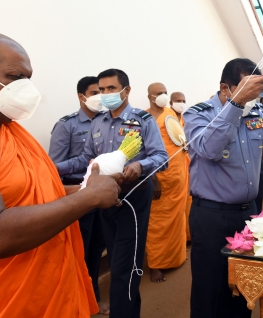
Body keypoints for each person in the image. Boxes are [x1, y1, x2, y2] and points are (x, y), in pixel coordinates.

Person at [0, 30, 122, 317]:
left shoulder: (3, 130)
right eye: (15, 77)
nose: (26, 89)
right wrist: (87, 200)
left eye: (28, 79)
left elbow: (30, 198)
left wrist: (87, 189)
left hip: (41, 296)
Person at [184, 58, 263, 318]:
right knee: (210, 288)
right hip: (211, 216)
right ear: (226, 88)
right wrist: (236, 105)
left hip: (248, 215)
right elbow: (209, 149)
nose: (255, 97)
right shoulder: (198, 114)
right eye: (249, 89)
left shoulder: (256, 112)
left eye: (257, 91)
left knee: (243, 286)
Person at [56, 69, 168, 318]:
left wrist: (140, 166)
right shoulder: (98, 121)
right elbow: (86, 158)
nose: (105, 94)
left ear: (126, 91)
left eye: (111, 89)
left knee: (126, 266)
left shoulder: (142, 120)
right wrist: (52, 169)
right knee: (116, 258)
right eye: (102, 89)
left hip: (133, 195)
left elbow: (161, 157)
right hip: (104, 198)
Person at [48, 76, 109, 315]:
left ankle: (93, 298)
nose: (100, 98)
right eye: (95, 92)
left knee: (96, 251)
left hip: (102, 195)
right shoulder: (67, 125)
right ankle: (75, 302)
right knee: (78, 253)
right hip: (77, 195)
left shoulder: (107, 122)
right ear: (81, 97)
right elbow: (54, 167)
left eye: (103, 92)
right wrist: (85, 168)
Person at [145, 83, 188, 283]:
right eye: (158, 93)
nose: (162, 96)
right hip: (159, 180)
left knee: (177, 218)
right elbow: (144, 151)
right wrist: (153, 179)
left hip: (177, 176)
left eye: (165, 92)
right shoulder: (144, 118)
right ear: (150, 97)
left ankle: (176, 256)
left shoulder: (171, 114)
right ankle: (156, 264)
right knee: (158, 224)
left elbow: (180, 140)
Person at [170, 91, 192, 242]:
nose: (181, 103)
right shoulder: (167, 120)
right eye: (178, 100)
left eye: (183, 100)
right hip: (173, 170)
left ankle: (188, 235)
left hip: (186, 166)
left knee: (188, 202)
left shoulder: (185, 119)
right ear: (171, 102)